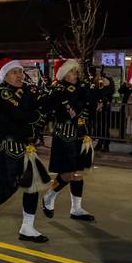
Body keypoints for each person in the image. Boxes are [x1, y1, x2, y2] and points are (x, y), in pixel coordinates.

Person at [0, 58, 51, 242]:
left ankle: (28, 227)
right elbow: (22, 115)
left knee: (32, 186)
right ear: (4, 75)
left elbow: (45, 107)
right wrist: (37, 112)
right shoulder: (1, 93)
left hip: (25, 145)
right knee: (8, 187)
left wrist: (42, 103)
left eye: (20, 71)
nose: (19, 75)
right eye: (14, 72)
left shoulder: (24, 91)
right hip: (8, 147)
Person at [41, 59, 98, 221]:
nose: (75, 74)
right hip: (65, 135)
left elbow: (90, 104)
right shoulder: (57, 89)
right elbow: (50, 108)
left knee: (79, 173)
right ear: (64, 74)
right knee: (67, 173)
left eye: (75, 71)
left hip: (81, 133)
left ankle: (76, 208)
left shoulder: (81, 87)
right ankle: (49, 196)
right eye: (72, 72)